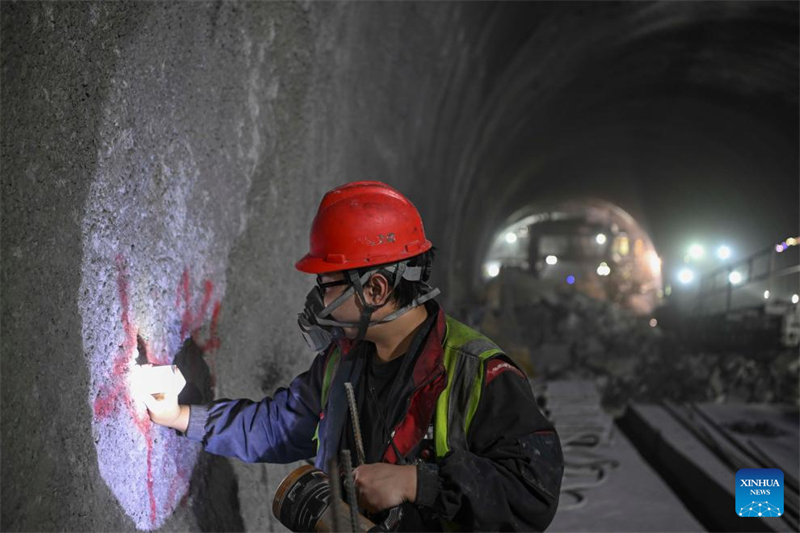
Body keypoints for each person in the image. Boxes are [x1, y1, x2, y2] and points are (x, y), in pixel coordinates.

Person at [142, 181, 563, 531]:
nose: (317, 299)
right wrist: (181, 417)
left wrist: (421, 482)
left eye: (327, 283)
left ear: (375, 290)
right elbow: (277, 426)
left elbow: (532, 492)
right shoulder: (342, 362)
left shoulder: (480, 374)